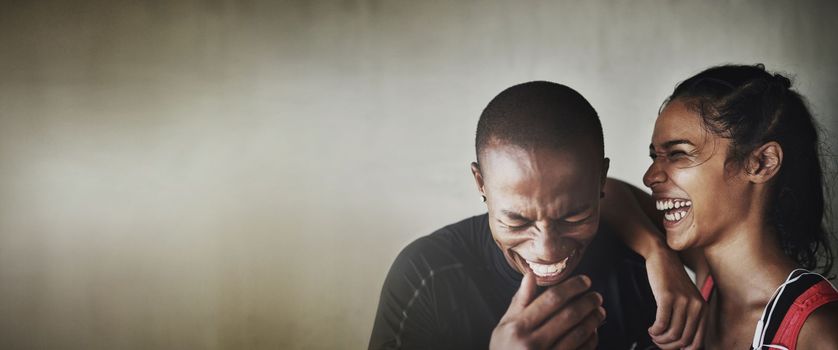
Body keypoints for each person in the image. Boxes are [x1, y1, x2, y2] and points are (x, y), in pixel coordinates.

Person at [368, 81, 702, 349]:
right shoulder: (427, 276)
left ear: (599, 180)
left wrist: (656, 251)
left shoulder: (641, 273)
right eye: (517, 221)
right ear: (481, 183)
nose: (547, 250)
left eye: (573, 217)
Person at [642, 64, 838, 349]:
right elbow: (604, 192)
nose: (650, 177)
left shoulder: (819, 331)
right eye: (654, 156)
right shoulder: (708, 282)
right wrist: (655, 252)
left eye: (677, 154)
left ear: (760, 163)